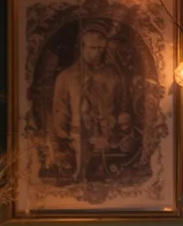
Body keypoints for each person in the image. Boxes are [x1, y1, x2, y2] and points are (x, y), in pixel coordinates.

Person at [49, 22, 134, 182]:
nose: (98, 53)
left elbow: (124, 106)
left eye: (101, 49)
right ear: (82, 47)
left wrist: (122, 126)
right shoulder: (66, 78)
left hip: (112, 143)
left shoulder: (113, 75)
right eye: (93, 48)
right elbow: (59, 114)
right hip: (78, 145)